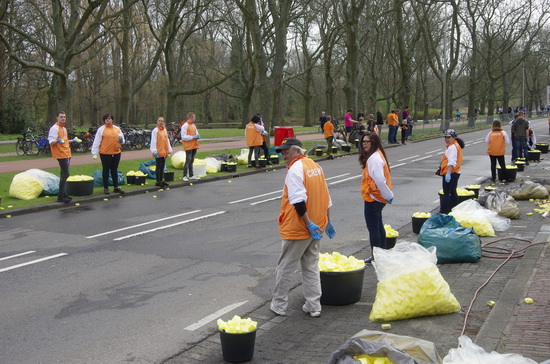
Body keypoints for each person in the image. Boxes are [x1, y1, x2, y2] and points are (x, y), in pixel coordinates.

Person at [270, 137, 335, 318]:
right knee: (311, 265)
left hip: (299, 227)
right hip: (317, 225)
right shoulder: (315, 166)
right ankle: (314, 305)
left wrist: (308, 223)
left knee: (285, 267)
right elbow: (325, 195)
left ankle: (279, 304)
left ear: (297, 151)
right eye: (282, 152)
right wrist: (326, 220)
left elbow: (298, 201)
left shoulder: (295, 169)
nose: (283, 155)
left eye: (286, 151)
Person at [359, 133, 393, 263]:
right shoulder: (377, 155)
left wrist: (388, 195)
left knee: (373, 229)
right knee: (378, 226)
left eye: (367, 142)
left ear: (374, 143)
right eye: (363, 142)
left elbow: (379, 180)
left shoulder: (374, 158)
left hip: (374, 198)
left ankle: (377, 256)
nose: (364, 144)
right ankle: (382, 253)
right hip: (377, 197)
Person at [48, 111, 79, 203]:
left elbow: (64, 141)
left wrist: (72, 140)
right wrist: (58, 141)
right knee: (66, 174)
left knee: (63, 174)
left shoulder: (64, 128)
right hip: (60, 154)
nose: (63, 118)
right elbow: (51, 142)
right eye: (61, 117)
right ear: (57, 118)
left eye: (64, 117)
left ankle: (63, 194)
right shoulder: (54, 128)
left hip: (67, 153)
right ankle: (60, 196)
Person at [91, 113, 125, 195]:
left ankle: (116, 187)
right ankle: (106, 188)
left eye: (109, 118)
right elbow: (97, 141)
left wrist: (121, 140)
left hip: (116, 152)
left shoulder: (117, 129)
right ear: (104, 120)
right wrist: (94, 152)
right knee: (106, 170)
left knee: (114, 170)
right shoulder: (101, 129)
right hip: (105, 153)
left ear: (112, 120)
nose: (108, 120)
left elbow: (123, 140)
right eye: (106, 119)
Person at [439, 129, 464, 214]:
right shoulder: (455, 145)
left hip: (451, 172)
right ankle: (455, 210)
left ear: (454, 137)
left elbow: (452, 161)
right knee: (453, 192)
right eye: (445, 137)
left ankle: (443, 212)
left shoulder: (452, 147)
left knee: (446, 193)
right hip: (456, 172)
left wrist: (448, 173)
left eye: (449, 137)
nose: (446, 139)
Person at [150, 116, 173, 187]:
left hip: (164, 151)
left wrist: (169, 150)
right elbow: (153, 141)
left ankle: (161, 180)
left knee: (162, 166)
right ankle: (158, 181)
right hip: (159, 151)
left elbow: (167, 141)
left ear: (163, 122)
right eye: (159, 120)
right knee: (158, 166)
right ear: (157, 121)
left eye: (162, 121)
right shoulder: (155, 131)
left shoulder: (164, 130)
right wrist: (154, 151)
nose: (160, 122)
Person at [180, 111, 201, 181]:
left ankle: (191, 175)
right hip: (188, 146)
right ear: (191, 117)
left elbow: (196, 133)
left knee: (191, 160)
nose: (195, 118)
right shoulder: (185, 125)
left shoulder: (193, 125)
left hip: (194, 145)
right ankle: (185, 175)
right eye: (194, 117)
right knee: (188, 160)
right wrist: (193, 137)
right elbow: (183, 137)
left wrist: (197, 136)